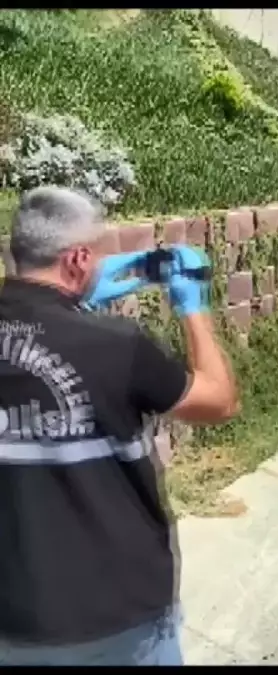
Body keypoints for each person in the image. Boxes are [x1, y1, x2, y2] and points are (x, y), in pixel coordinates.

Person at [0, 186, 240, 665]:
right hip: (118, 619)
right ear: (78, 260)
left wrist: (72, 303)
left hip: (14, 620)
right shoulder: (118, 346)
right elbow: (218, 402)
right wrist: (193, 305)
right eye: (102, 255)